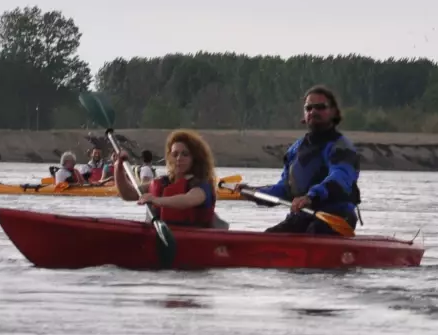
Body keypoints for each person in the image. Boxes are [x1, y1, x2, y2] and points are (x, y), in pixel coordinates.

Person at [236, 85, 361, 235]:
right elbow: (284, 189)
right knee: (269, 237)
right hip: (302, 216)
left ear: (333, 112)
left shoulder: (342, 147)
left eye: (320, 107)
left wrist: (311, 197)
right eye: (309, 108)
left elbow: (340, 177)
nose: (313, 112)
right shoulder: (295, 150)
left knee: (314, 231)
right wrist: (252, 192)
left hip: (336, 216)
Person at [114, 129, 219, 228]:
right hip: (160, 238)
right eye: (175, 154)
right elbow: (128, 194)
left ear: (195, 159)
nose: (179, 158)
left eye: (185, 154)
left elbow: (189, 200)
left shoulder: (201, 185)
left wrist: (156, 200)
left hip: (194, 240)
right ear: (170, 157)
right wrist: (118, 168)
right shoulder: (163, 182)